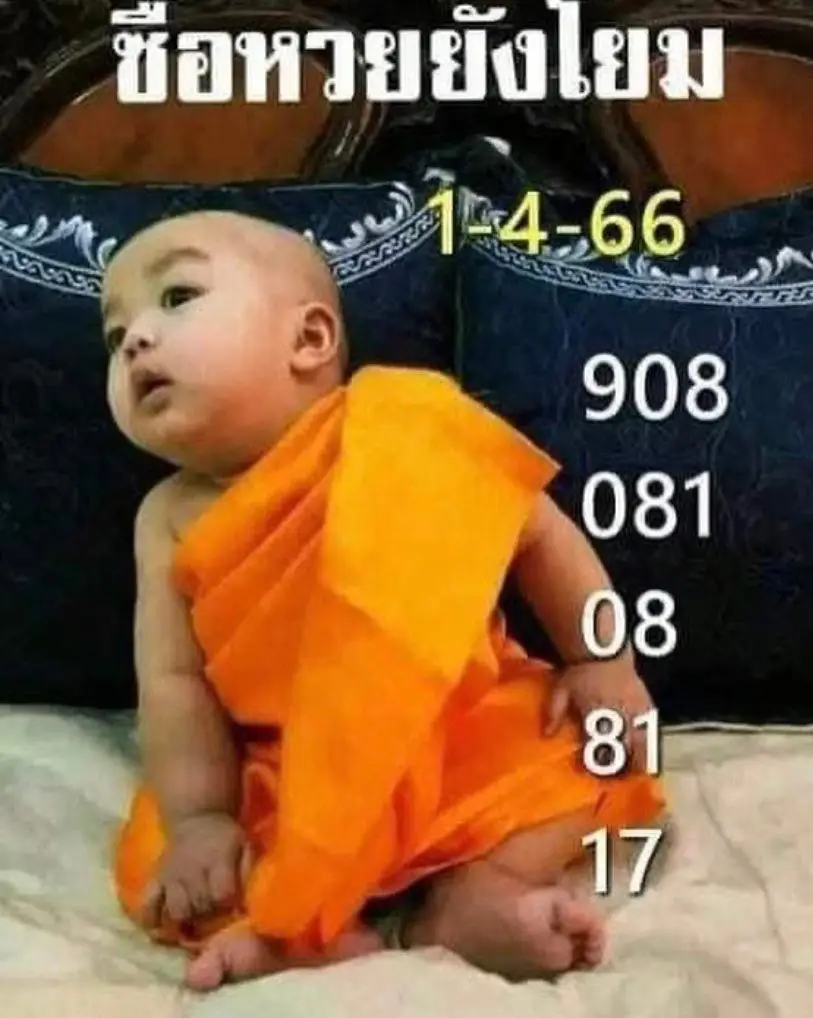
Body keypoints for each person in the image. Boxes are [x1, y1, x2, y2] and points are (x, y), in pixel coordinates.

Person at [103, 208, 666, 993]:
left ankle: (475, 893)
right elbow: (175, 682)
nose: (134, 339)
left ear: (308, 339)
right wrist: (201, 818)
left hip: (456, 723)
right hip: (291, 762)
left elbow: (539, 534)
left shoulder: (410, 425)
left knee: (577, 761)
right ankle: (302, 928)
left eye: (177, 297)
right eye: (113, 334)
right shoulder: (165, 517)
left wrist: (601, 660)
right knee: (173, 863)